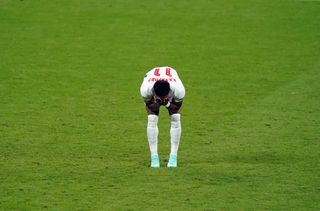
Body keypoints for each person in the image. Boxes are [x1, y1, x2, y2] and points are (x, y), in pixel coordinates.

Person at [140, 66, 185, 168]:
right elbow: (149, 106)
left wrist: (168, 104)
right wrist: (156, 103)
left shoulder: (178, 90)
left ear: (169, 92)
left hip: (172, 75)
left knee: (175, 118)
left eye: (164, 96)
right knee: (152, 119)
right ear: (154, 92)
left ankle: (173, 156)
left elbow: (176, 107)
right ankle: (154, 157)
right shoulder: (146, 89)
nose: (161, 98)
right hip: (151, 76)